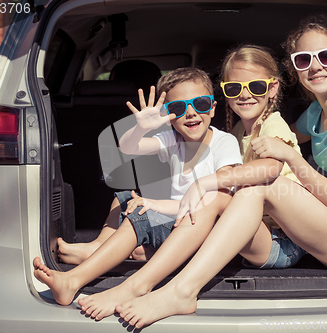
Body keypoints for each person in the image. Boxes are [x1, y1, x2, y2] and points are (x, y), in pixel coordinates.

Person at [113, 15, 327, 329]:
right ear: (295, 68)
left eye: (326, 56)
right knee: (230, 194)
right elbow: (277, 131)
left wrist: (288, 158)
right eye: (303, 59)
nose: (315, 66)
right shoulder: (316, 113)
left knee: (262, 184)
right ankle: (143, 281)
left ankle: (181, 291)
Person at [32, 67, 243, 306]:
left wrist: (153, 205)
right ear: (168, 116)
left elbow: (218, 193)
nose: (191, 113)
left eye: (201, 103)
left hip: (199, 230)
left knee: (142, 215)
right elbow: (128, 147)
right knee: (125, 197)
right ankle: (99, 248)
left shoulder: (223, 142)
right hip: (175, 219)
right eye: (177, 108)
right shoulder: (173, 140)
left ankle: (73, 281)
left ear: (213, 107)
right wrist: (142, 126)